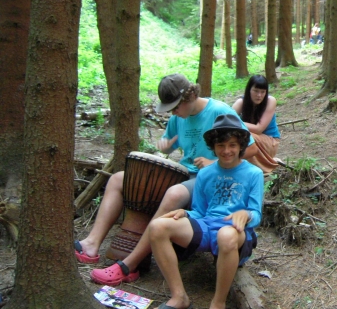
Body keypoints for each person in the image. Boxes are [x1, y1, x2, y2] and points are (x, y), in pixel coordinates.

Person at [76, 74, 257, 286]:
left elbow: (251, 148)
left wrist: (214, 162)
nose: (173, 112)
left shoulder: (219, 111)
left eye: (175, 107)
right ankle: (91, 244)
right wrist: (166, 146)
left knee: (174, 193)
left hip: (209, 178)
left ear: (190, 96)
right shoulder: (177, 119)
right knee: (117, 179)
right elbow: (169, 143)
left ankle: (129, 264)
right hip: (182, 173)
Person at [143, 114, 263, 309]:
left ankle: (218, 306)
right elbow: (200, 210)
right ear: (213, 146)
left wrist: (245, 214)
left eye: (232, 145)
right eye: (221, 145)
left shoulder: (253, 173)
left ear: (240, 146)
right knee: (158, 226)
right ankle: (179, 297)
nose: (226, 151)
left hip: (236, 232)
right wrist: (186, 213)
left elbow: (256, 214)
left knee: (226, 235)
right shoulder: (205, 173)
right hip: (207, 227)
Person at [232, 75, 281, 174]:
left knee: (244, 136)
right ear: (249, 90)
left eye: (263, 92)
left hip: (270, 141)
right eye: (256, 91)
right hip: (249, 139)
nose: (259, 95)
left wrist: (236, 123)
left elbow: (259, 129)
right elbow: (227, 120)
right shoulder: (241, 102)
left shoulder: (270, 101)